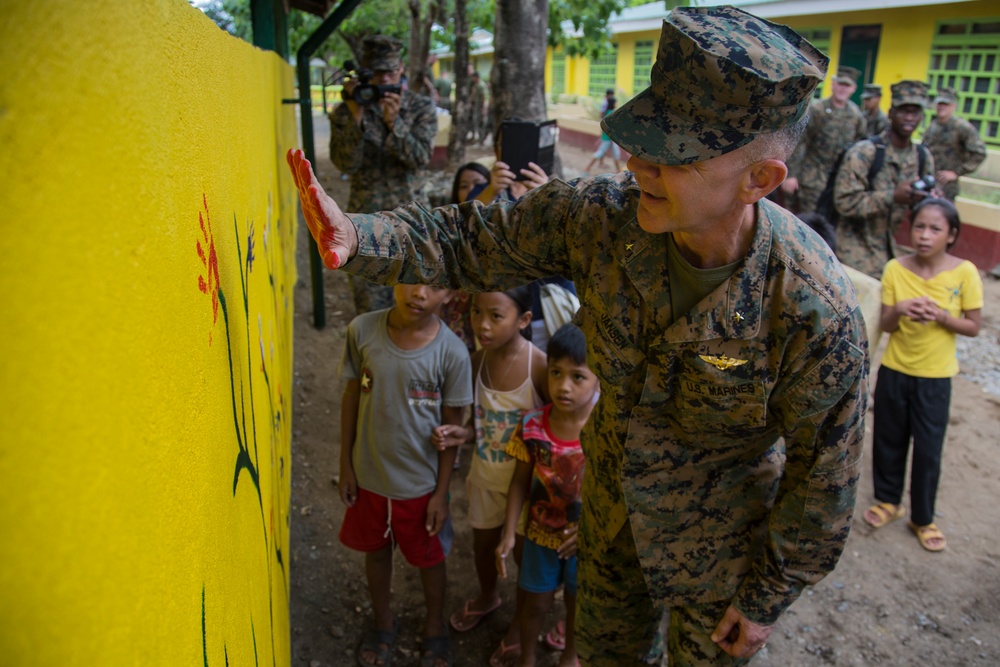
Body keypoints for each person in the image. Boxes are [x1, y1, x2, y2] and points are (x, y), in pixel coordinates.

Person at [288, 5, 868, 664]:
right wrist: (363, 233)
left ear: (759, 178)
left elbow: (825, 477)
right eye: (643, 138)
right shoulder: (604, 220)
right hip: (607, 530)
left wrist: (767, 595)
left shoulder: (811, 305)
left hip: (720, 561)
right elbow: (475, 239)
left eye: (673, 154)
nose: (641, 165)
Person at [338, 283, 472, 667]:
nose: (419, 292)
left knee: (430, 560)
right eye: (411, 278)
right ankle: (383, 624)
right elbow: (351, 396)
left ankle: (435, 627)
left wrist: (440, 494)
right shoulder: (362, 331)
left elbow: (452, 432)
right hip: (368, 478)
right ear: (394, 278)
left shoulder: (452, 353)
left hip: (422, 487)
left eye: (435, 286)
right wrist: (345, 464)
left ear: (450, 295)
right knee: (376, 554)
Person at [432, 286, 548, 667]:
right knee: (482, 548)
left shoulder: (539, 367)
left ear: (524, 320)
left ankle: (519, 621)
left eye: (496, 316)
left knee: (521, 561)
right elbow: (478, 423)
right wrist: (462, 434)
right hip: (484, 479)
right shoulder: (476, 361)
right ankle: (488, 596)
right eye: (477, 312)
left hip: (526, 490)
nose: (482, 324)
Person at [862, 198, 982, 553]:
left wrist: (943, 317)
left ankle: (923, 517)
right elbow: (886, 324)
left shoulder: (965, 273)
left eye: (935, 229)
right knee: (888, 439)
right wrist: (899, 308)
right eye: (919, 227)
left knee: (928, 450)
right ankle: (888, 501)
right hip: (895, 372)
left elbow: (973, 326)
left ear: (951, 235)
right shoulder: (896, 269)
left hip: (935, 378)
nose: (924, 235)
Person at [496, 323, 597, 667]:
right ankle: (527, 658)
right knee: (534, 603)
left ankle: (570, 657)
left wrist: (588, 532)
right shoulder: (533, 426)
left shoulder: (603, 432)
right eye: (556, 373)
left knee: (576, 605)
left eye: (578, 377)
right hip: (539, 537)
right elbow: (518, 484)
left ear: (599, 380)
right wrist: (510, 532)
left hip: (584, 541)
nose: (563, 386)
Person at [328, 35, 438, 315]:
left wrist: (395, 123)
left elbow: (420, 159)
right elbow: (345, 164)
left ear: (401, 69)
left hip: (412, 224)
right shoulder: (348, 110)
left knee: (416, 311)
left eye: (390, 71)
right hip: (366, 225)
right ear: (365, 74)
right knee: (371, 311)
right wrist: (356, 117)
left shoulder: (420, 107)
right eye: (377, 73)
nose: (384, 79)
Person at [834, 80, 937, 278]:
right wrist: (892, 197)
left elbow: (923, 209)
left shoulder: (922, 157)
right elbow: (844, 202)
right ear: (890, 113)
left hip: (891, 249)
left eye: (914, 112)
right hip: (854, 250)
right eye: (903, 111)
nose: (909, 117)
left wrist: (929, 200)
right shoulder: (865, 153)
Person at [782, 65, 867, 214]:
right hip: (812, 178)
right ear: (833, 84)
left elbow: (858, 147)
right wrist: (791, 175)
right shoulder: (817, 110)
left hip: (838, 181)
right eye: (840, 84)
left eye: (847, 86)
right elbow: (799, 142)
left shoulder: (856, 115)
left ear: (853, 89)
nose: (843, 89)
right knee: (808, 220)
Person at [921, 86, 988, 202]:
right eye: (939, 104)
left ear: (954, 106)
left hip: (946, 186)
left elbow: (979, 152)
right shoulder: (933, 126)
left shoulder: (962, 127)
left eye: (946, 104)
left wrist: (957, 172)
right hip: (929, 182)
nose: (942, 107)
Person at [585, 89, 623, 174]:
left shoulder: (606, 112)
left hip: (607, 136)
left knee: (615, 153)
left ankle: (618, 169)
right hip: (609, 137)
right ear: (613, 104)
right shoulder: (612, 113)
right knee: (600, 153)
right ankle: (587, 168)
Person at [469, 71, 488, 144]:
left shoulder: (480, 85)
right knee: (476, 121)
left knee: (480, 122)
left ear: (476, 77)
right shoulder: (477, 85)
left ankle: (481, 139)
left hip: (479, 106)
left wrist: (483, 107)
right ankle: (478, 138)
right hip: (477, 106)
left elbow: (483, 97)